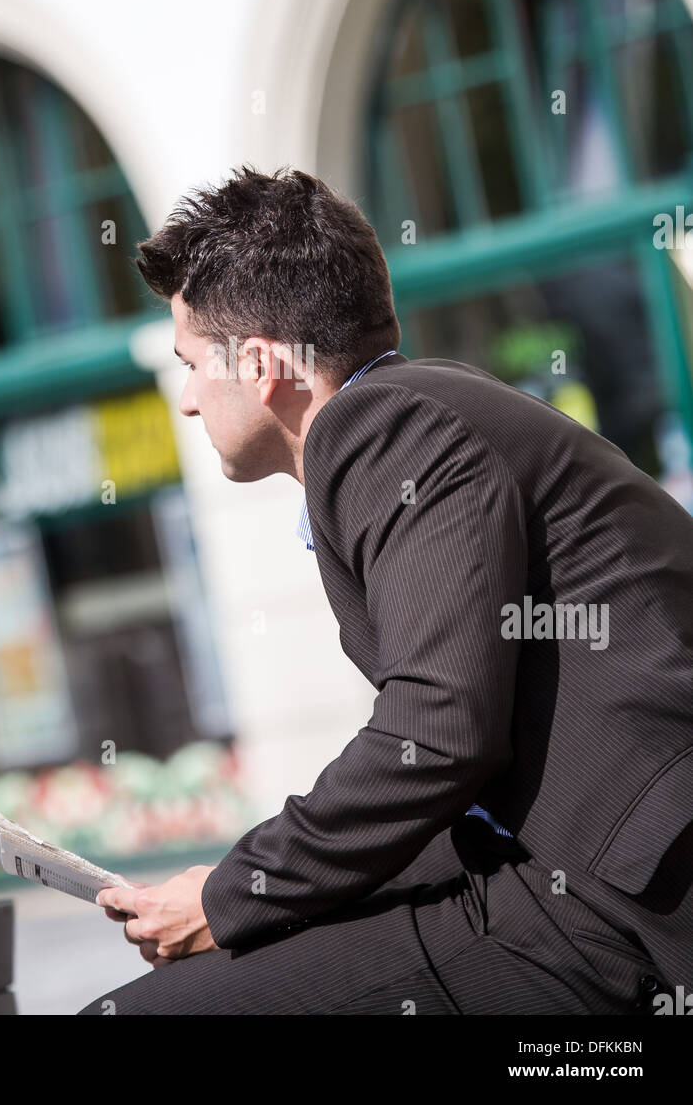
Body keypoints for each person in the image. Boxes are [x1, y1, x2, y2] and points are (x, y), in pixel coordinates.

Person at [79, 166, 693, 1015]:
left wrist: (233, 897)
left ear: (259, 366)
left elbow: (438, 733)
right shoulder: (427, 411)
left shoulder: (382, 428)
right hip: (586, 887)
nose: (185, 402)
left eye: (189, 365)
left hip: (616, 912)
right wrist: (241, 891)